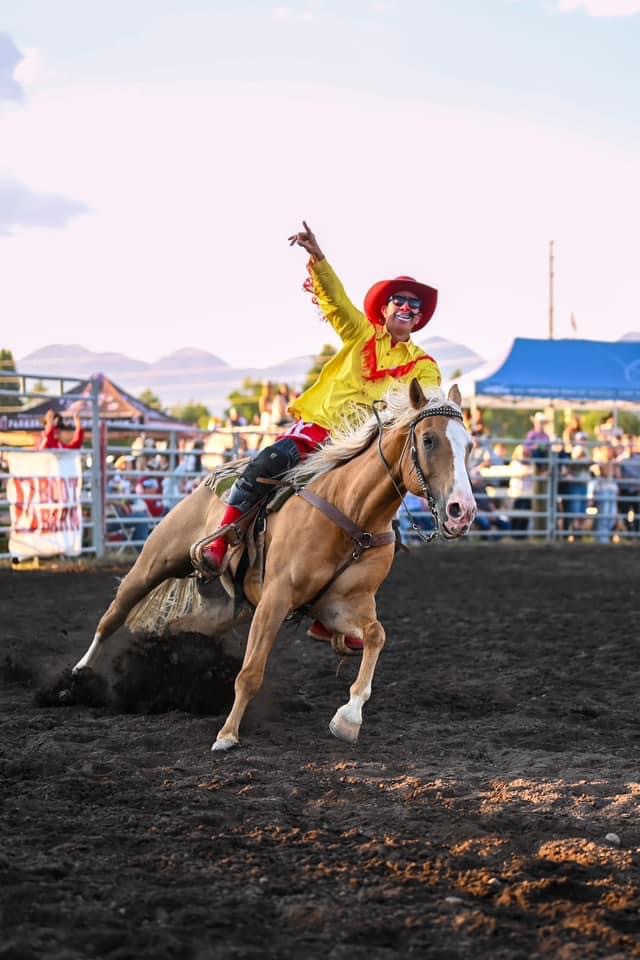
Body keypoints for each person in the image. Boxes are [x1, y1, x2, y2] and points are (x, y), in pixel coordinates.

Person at [193, 221, 442, 643]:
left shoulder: (425, 366)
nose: (406, 307)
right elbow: (338, 302)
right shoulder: (360, 334)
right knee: (267, 463)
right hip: (319, 431)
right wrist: (319, 258)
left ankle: (330, 609)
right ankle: (221, 540)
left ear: (418, 319)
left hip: (363, 451)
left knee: (379, 532)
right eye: (399, 300)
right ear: (384, 310)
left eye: (414, 305)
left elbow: (427, 405)